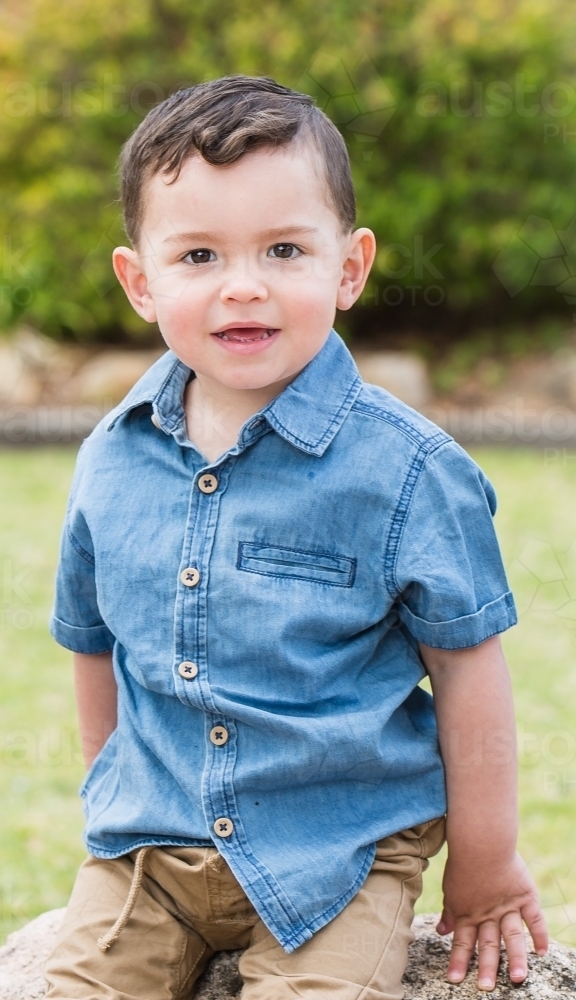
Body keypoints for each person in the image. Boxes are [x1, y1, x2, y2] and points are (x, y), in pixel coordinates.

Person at [44, 75, 547, 1000]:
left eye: (283, 248)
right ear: (139, 281)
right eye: (197, 255)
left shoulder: (406, 471)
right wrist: (111, 811)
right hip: (149, 856)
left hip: (338, 857)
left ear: (347, 269)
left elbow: (470, 670)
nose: (244, 286)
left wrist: (485, 865)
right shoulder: (110, 460)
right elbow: (94, 646)